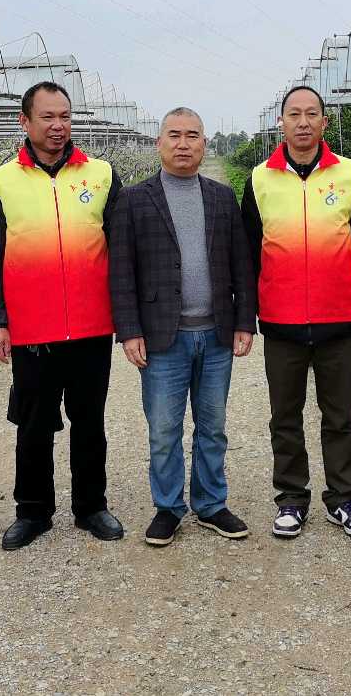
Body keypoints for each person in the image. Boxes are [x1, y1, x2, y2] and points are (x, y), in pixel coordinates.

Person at [0, 81, 125, 551]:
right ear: (25, 121)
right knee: (34, 423)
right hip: (31, 329)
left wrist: (127, 318)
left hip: (91, 325)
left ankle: (91, 506)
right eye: (47, 117)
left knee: (89, 420)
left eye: (65, 116)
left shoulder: (101, 175)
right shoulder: (0, 182)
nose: (58, 126)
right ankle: (33, 511)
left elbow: (120, 250)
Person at [108, 107, 258, 547]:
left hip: (215, 335)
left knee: (213, 426)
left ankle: (211, 503)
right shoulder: (134, 200)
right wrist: (129, 330)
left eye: (192, 135)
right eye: (174, 135)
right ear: (159, 143)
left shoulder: (221, 197)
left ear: (204, 144)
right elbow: (121, 271)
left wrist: (244, 321)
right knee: (164, 429)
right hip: (162, 339)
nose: (183, 143)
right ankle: (168, 507)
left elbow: (241, 264)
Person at [241, 85, 351, 540]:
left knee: (338, 417)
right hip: (281, 323)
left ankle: (344, 498)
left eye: (311, 114)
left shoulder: (350, 174)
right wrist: (246, 318)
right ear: (281, 122)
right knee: (285, 417)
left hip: (339, 321)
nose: (303, 122)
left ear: (324, 121)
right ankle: (291, 499)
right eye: (294, 114)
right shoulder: (260, 179)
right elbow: (247, 255)